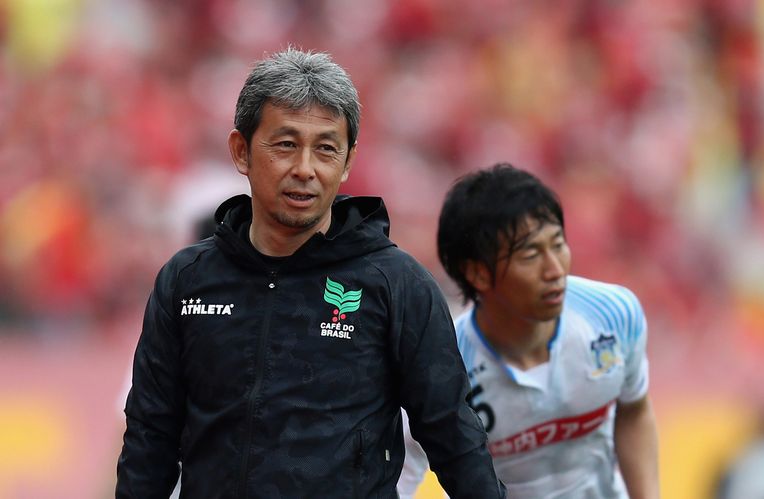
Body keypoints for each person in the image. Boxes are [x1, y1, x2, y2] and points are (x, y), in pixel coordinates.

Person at [115, 47, 506, 499]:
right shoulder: (187, 280)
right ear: (241, 151)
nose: (305, 169)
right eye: (285, 145)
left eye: (325, 149)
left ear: (348, 161)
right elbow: (149, 440)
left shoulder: (397, 284)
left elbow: (454, 437)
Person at [398, 163, 660, 498]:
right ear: (478, 274)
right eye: (531, 254)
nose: (555, 269)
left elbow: (634, 410)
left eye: (558, 244)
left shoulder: (612, 314)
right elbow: (399, 477)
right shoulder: (444, 368)